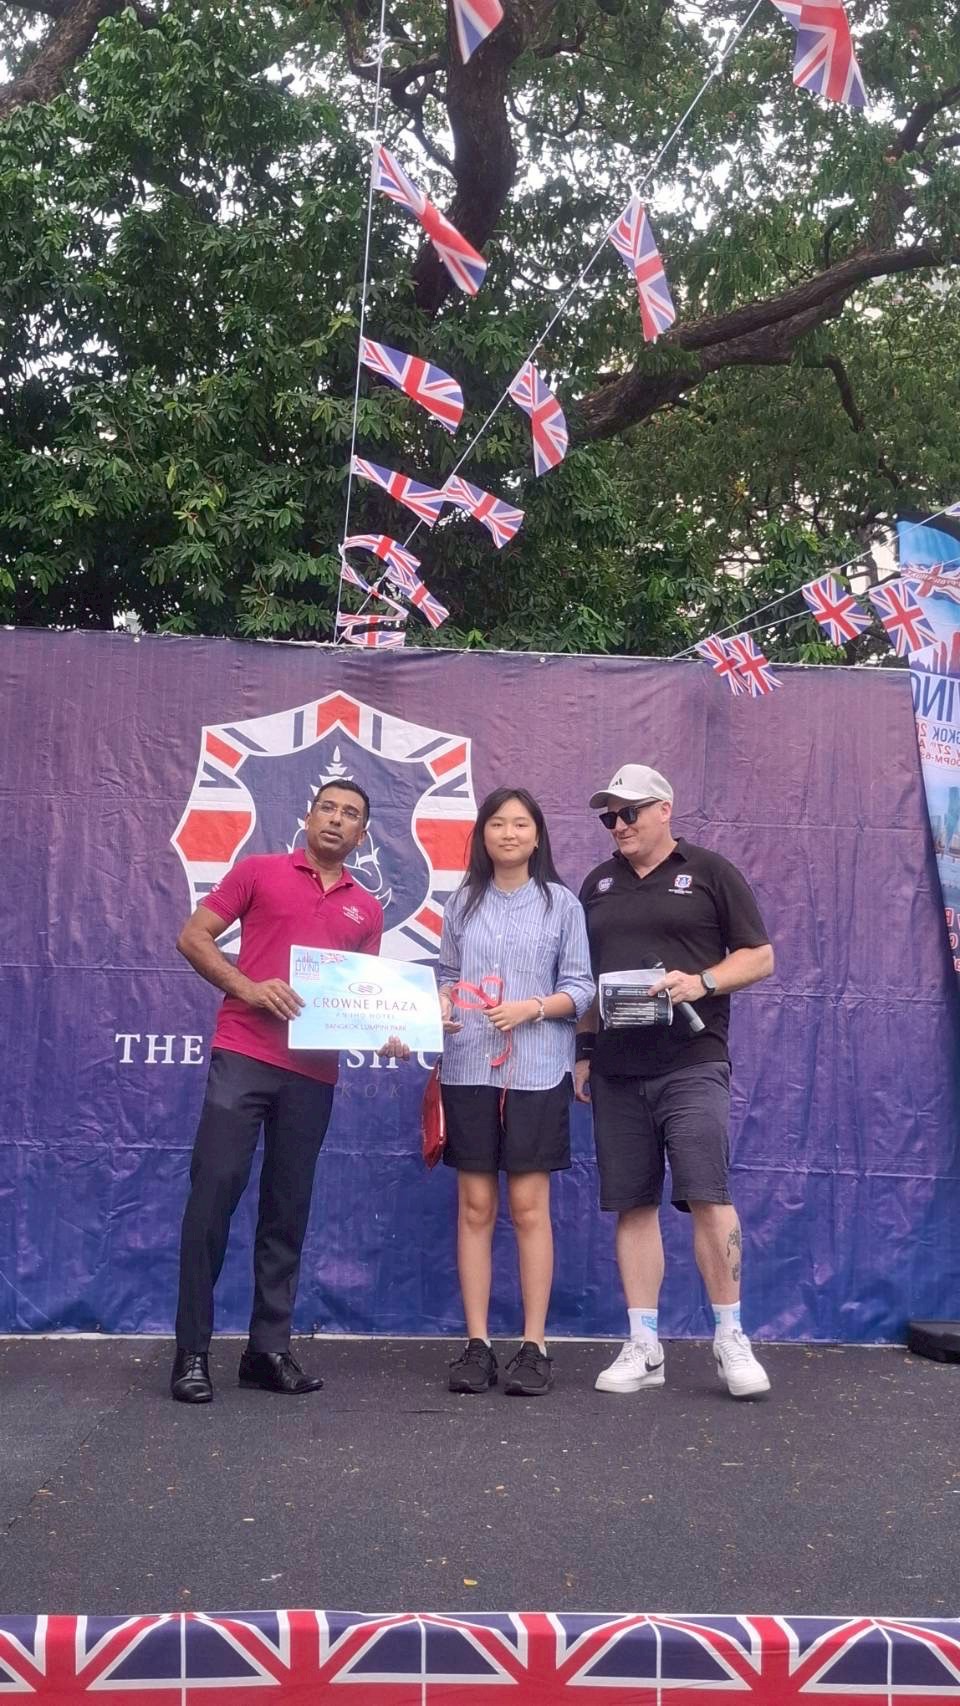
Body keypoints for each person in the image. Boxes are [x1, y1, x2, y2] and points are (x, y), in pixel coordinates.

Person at [170, 779, 407, 1404]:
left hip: (312, 1073)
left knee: (287, 1210)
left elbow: (365, 999)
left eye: (350, 814)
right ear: (308, 816)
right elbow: (193, 937)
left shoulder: (367, 908)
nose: (336, 819)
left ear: (362, 835)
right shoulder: (259, 871)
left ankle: (266, 1351)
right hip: (244, 1055)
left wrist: (393, 1033)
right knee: (212, 1197)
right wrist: (248, 988)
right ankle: (191, 1352)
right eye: (328, 807)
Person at [575, 763, 774, 1400]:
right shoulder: (597, 883)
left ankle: (730, 1337)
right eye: (609, 816)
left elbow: (760, 956)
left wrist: (702, 982)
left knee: (707, 1195)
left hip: (692, 1061)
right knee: (632, 1204)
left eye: (629, 812)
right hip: (616, 1069)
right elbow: (587, 979)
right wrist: (584, 1050)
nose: (618, 824)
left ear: (665, 809)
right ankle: (644, 1345)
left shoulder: (711, 872)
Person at [436, 787, 594, 1398]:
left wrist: (533, 1007)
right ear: (482, 834)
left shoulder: (561, 905)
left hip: (538, 1071)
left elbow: (581, 988)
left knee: (529, 1208)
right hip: (468, 1068)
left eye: (520, 824)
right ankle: (477, 1344)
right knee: (475, 1207)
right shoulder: (462, 902)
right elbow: (448, 975)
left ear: (537, 835)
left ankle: (534, 1345)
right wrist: (443, 1004)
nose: (508, 833)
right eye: (497, 823)